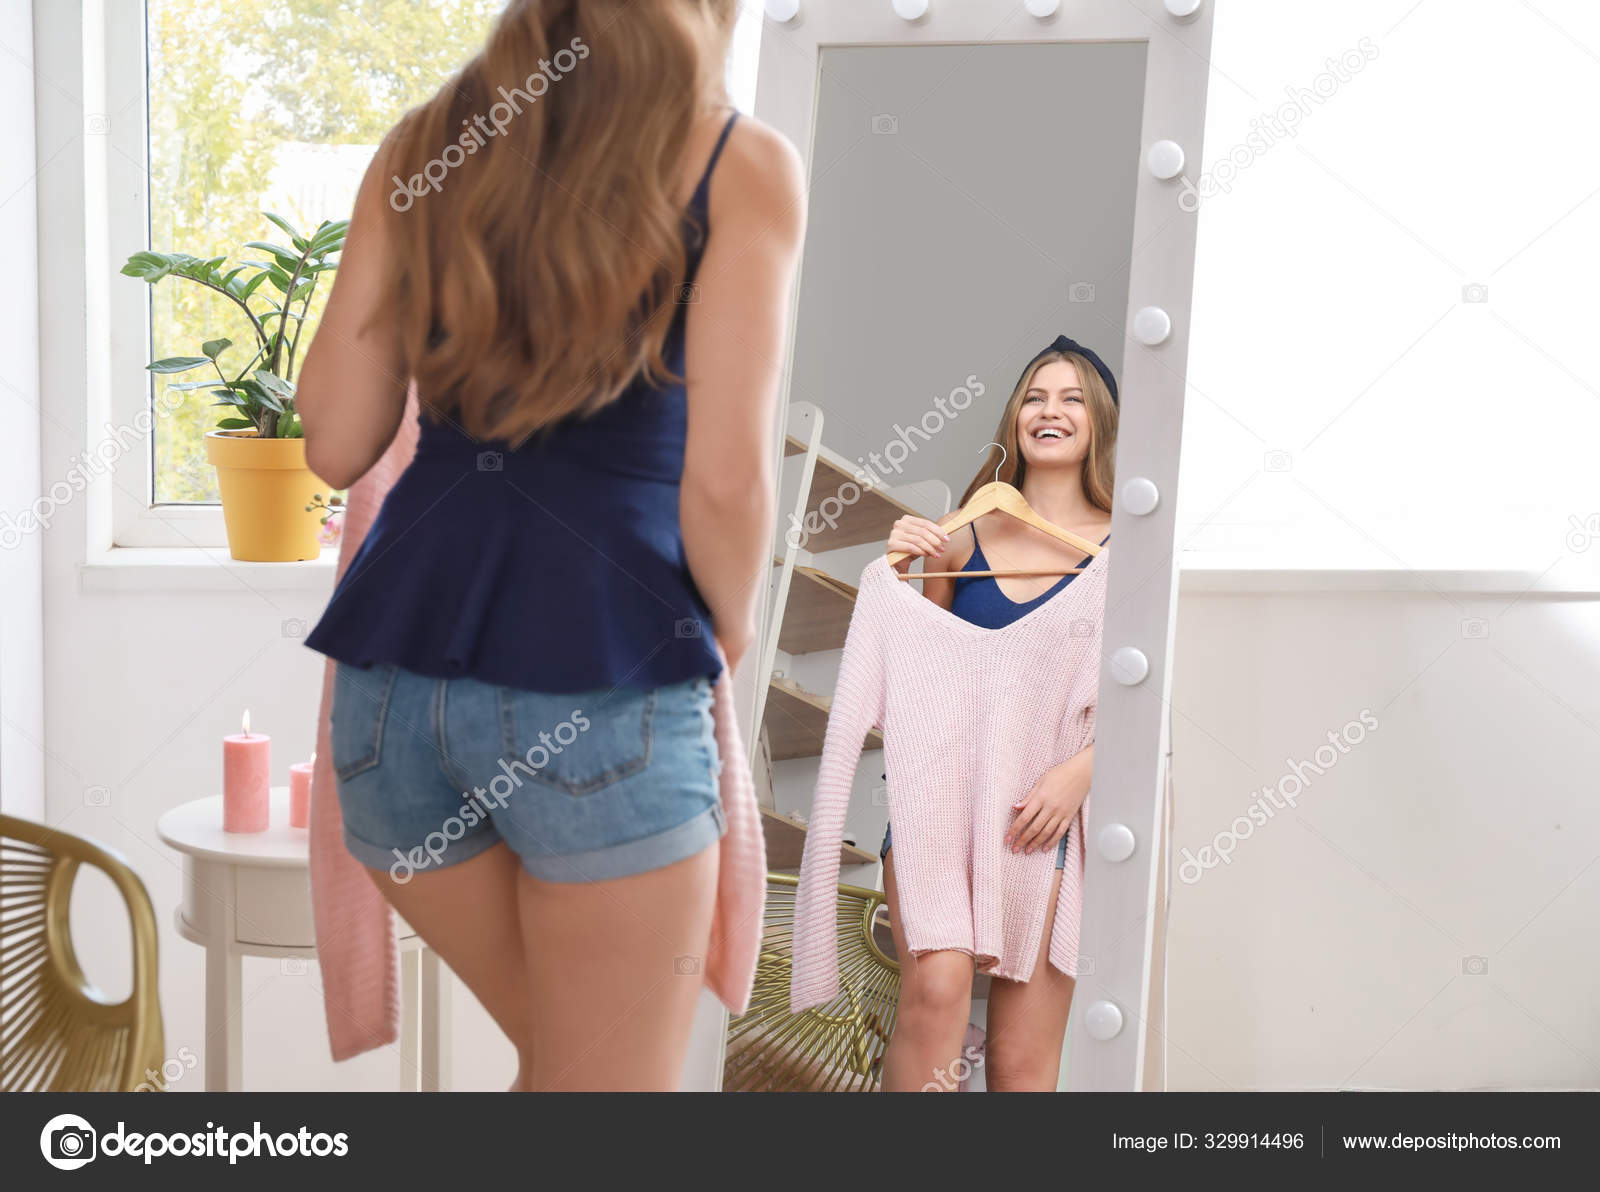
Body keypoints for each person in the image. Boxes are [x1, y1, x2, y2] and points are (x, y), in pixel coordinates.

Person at [295, 0, 806, 1091]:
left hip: (389, 704)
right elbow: (725, 478)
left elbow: (335, 441)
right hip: (602, 678)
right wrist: (728, 627)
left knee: (566, 1076)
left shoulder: (426, 146)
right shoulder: (735, 160)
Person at [877, 336, 1116, 1091]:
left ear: (1100, 423)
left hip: (1039, 822)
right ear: (1016, 418)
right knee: (935, 995)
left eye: (1072, 398)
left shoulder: (1130, 552)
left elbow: (1150, 697)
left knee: (1018, 1061)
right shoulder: (955, 541)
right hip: (937, 805)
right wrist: (895, 576)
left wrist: (1085, 771)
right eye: (1036, 398)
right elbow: (914, 688)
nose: (1051, 411)